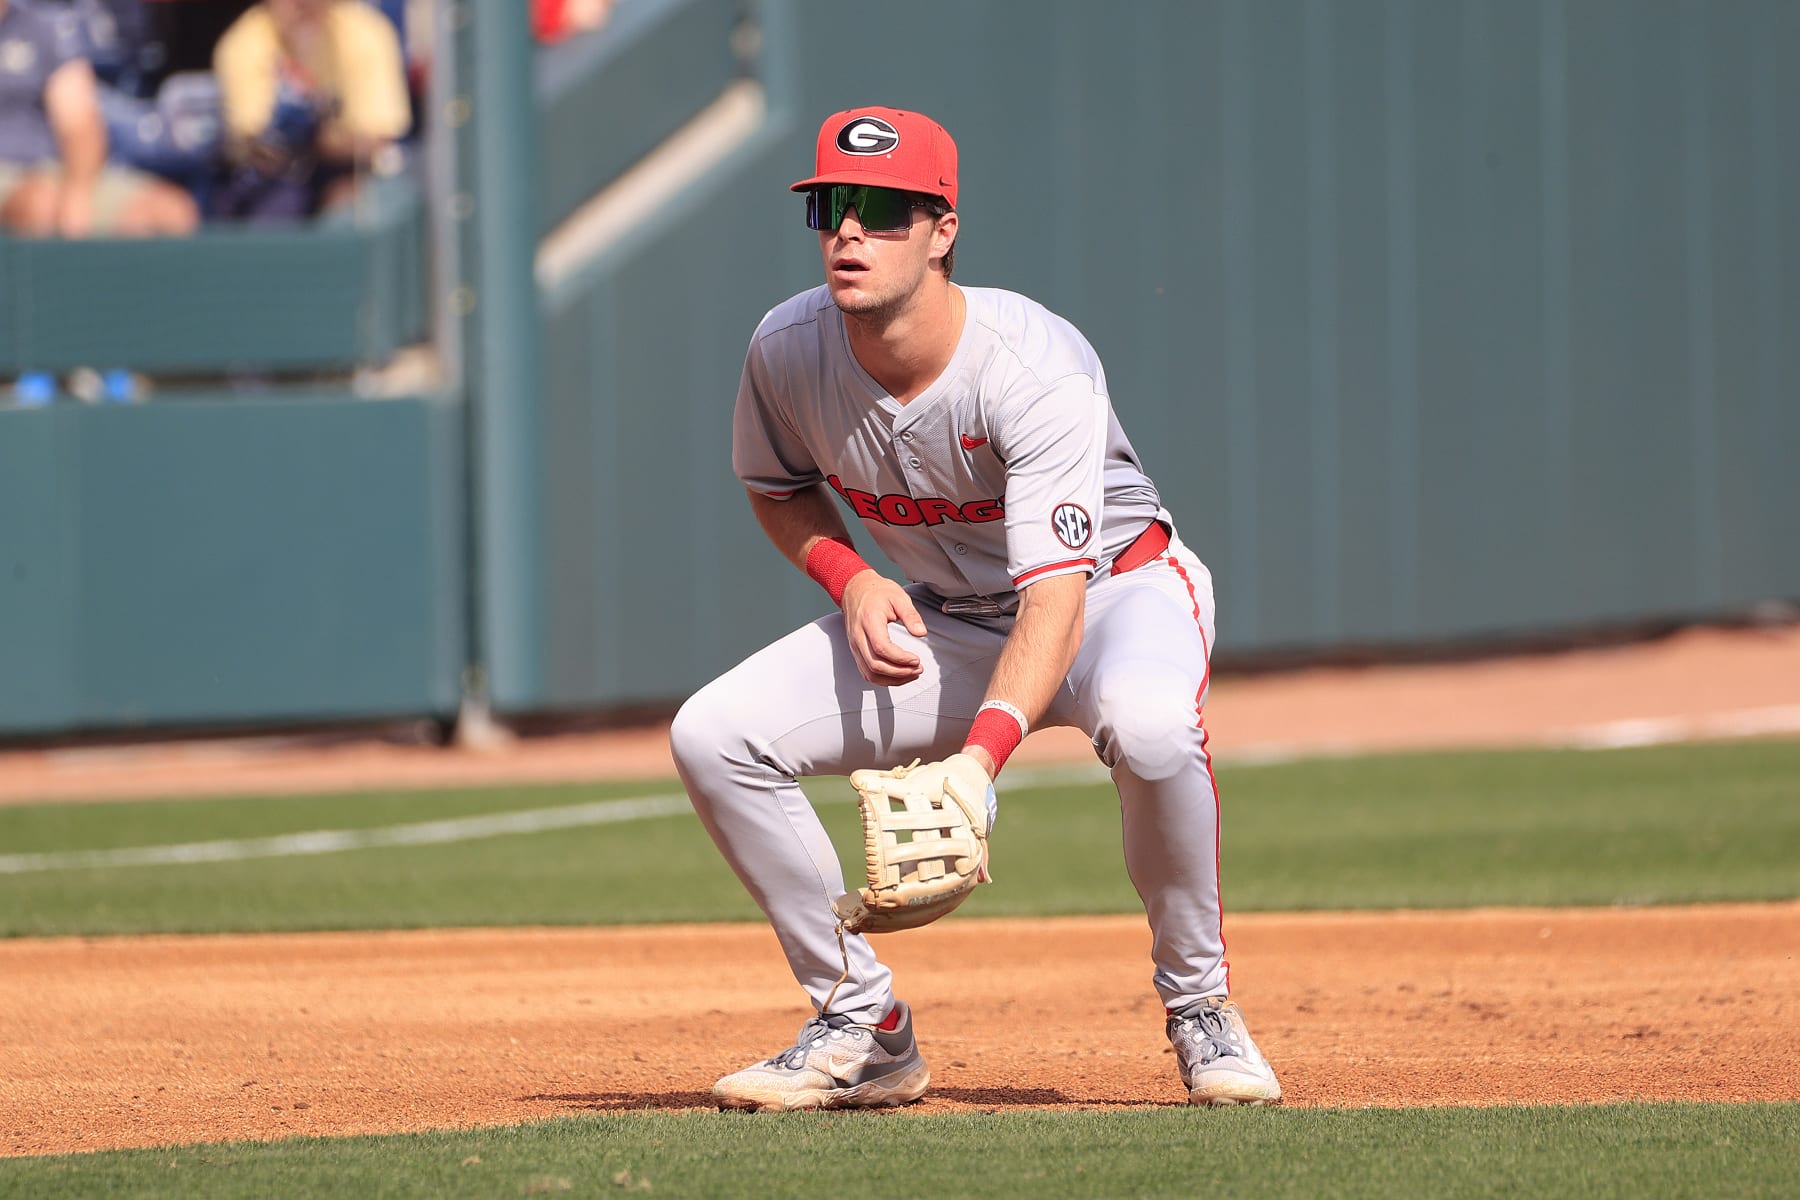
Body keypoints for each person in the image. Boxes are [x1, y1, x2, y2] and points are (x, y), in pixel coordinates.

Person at [669, 106, 1283, 1111]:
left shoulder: (1032, 366)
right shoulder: (786, 350)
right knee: (715, 735)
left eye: (882, 209)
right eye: (830, 207)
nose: (850, 233)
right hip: (950, 616)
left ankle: (1201, 1005)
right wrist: (851, 577)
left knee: (1153, 726)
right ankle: (862, 1026)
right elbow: (776, 487)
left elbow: (1055, 598)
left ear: (943, 228)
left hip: (1117, 593)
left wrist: (977, 765)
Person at [0, 0, 198, 236]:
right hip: (10, 176)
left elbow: (81, 124)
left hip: (51, 170)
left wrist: (77, 195)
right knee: (41, 205)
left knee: (171, 212)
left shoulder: (41, 27)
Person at [211, 0, 407, 219]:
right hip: (272, 181)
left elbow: (378, 137)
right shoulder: (243, 43)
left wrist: (317, 138)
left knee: (358, 208)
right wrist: (288, 134)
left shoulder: (365, 31)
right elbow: (256, 145)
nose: (302, 4)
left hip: (343, 172)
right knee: (277, 207)